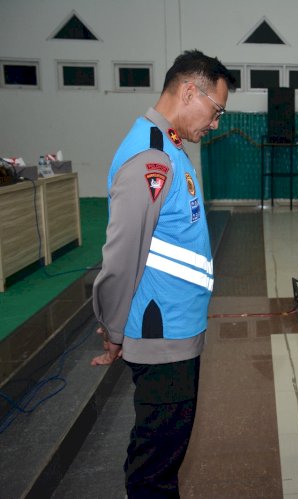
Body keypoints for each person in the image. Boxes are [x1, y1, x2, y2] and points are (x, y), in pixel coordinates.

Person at [90, 50, 236, 497]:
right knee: (155, 464)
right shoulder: (150, 157)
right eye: (216, 111)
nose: (215, 123)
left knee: (168, 454)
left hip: (176, 330)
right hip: (160, 336)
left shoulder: (170, 148)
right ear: (190, 91)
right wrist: (114, 329)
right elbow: (120, 257)